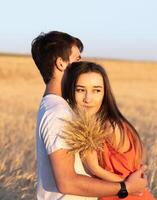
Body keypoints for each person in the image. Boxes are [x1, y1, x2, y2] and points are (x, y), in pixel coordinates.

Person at [31, 31, 147, 200]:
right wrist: (126, 187)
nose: (82, 64)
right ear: (61, 63)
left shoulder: (60, 108)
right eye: (77, 59)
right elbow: (66, 182)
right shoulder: (57, 113)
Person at [62, 61, 155, 200]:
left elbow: (133, 184)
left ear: (105, 94)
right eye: (80, 90)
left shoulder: (108, 127)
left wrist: (96, 169)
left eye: (96, 90)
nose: (88, 99)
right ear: (71, 91)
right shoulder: (116, 122)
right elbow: (141, 159)